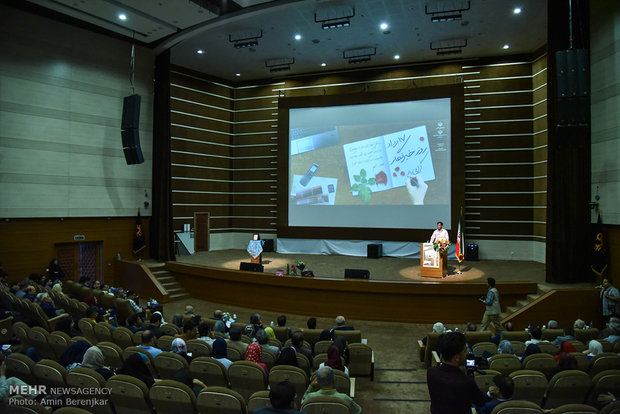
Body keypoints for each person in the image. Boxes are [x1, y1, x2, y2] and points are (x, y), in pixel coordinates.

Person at [427, 332, 488, 414]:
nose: (467, 354)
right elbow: (481, 402)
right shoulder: (466, 382)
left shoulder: (431, 372)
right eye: (465, 351)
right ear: (456, 358)